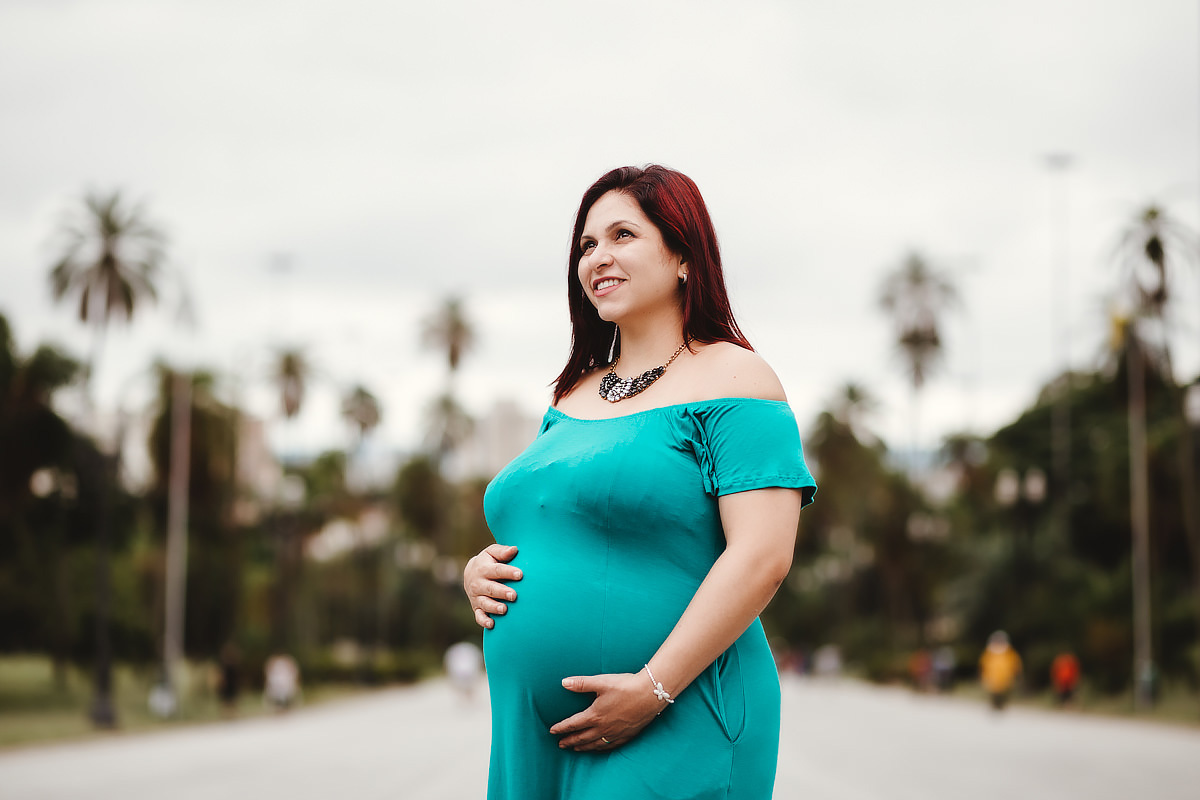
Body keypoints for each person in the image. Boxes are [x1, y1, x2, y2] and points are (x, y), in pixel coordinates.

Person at [462, 165, 817, 800]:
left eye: (622, 235)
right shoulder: (571, 395)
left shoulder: (737, 379)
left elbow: (763, 556)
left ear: (683, 256)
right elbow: (554, 522)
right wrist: (479, 573)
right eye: (586, 244)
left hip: (676, 714)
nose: (597, 256)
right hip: (532, 733)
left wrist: (652, 689)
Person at [978, 630, 1022, 711]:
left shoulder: (1009, 652)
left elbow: (1015, 663)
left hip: (1005, 677)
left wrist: (1016, 672)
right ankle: (994, 706)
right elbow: (983, 663)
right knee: (993, 693)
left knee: (1004, 693)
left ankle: (1001, 706)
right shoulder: (989, 652)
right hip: (992, 676)